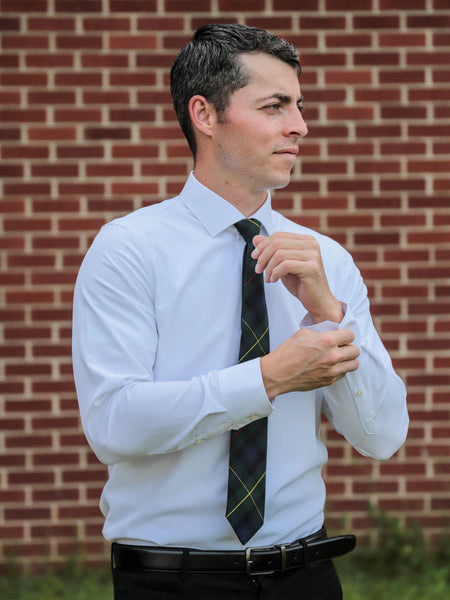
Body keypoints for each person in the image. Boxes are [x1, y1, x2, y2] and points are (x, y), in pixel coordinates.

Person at [72, 23, 408, 600]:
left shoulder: (324, 259)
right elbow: (114, 425)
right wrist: (270, 378)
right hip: (173, 584)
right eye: (275, 106)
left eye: (299, 106)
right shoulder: (128, 249)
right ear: (205, 114)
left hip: (306, 577)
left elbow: (382, 438)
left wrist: (332, 315)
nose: (300, 126)